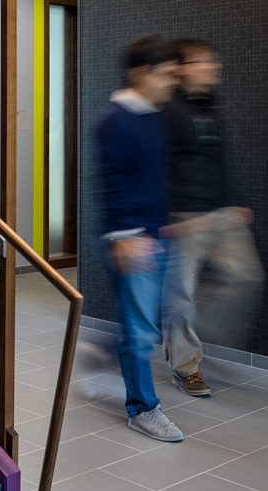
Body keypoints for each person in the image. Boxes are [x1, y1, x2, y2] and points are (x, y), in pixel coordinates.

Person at [162, 39, 264, 396]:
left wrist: (233, 202)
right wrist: (168, 215)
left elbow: (218, 161)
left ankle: (187, 325)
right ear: (182, 68)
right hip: (185, 215)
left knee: (247, 276)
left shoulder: (210, 108)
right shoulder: (168, 111)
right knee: (181, 295)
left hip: (220, 212)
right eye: (204, 63)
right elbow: (159, 167)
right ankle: (186, 368)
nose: (213, 68)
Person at [96, 36, 184, 442]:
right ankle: (142, 409)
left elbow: (153, 179)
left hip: (156, 235)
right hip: (133, 241)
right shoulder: (116, 121)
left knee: (146, 326)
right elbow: (113, 184)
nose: (173, 82)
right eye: (166, 74)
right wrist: (126, 236)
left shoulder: (156, 117)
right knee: (139, 331)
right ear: (139, 73)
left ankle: (117, 356)